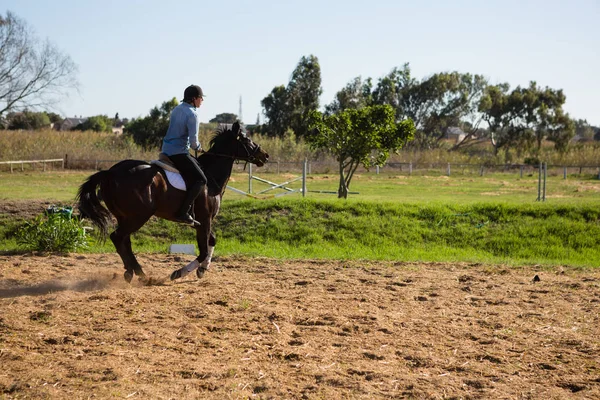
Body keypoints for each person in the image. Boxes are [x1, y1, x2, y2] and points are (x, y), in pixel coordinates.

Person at [161, 84, 207, 225]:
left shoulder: (176, 109)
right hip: (179, 152)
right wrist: (199, 148)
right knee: (201, 180)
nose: (202, 101)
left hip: (166, 150)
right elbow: (193, 143)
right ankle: (183, 212)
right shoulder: (192, 115)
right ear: (193, 99)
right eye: (200, 98)